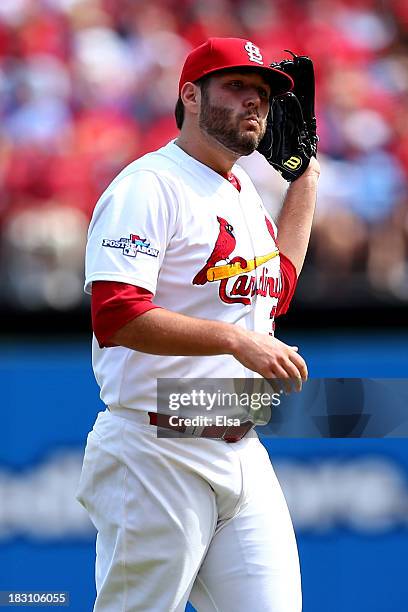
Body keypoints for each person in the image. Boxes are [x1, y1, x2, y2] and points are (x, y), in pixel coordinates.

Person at [77, 37, 320, 612]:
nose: (254, 103)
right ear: (190, 94)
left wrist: (305, 181)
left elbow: (274, 288)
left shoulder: (242, 194)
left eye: (262, 93)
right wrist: (238, 341)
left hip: (241, 442)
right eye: (236, 86)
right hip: (156, 445)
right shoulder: (150, 184)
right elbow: (117, 314)